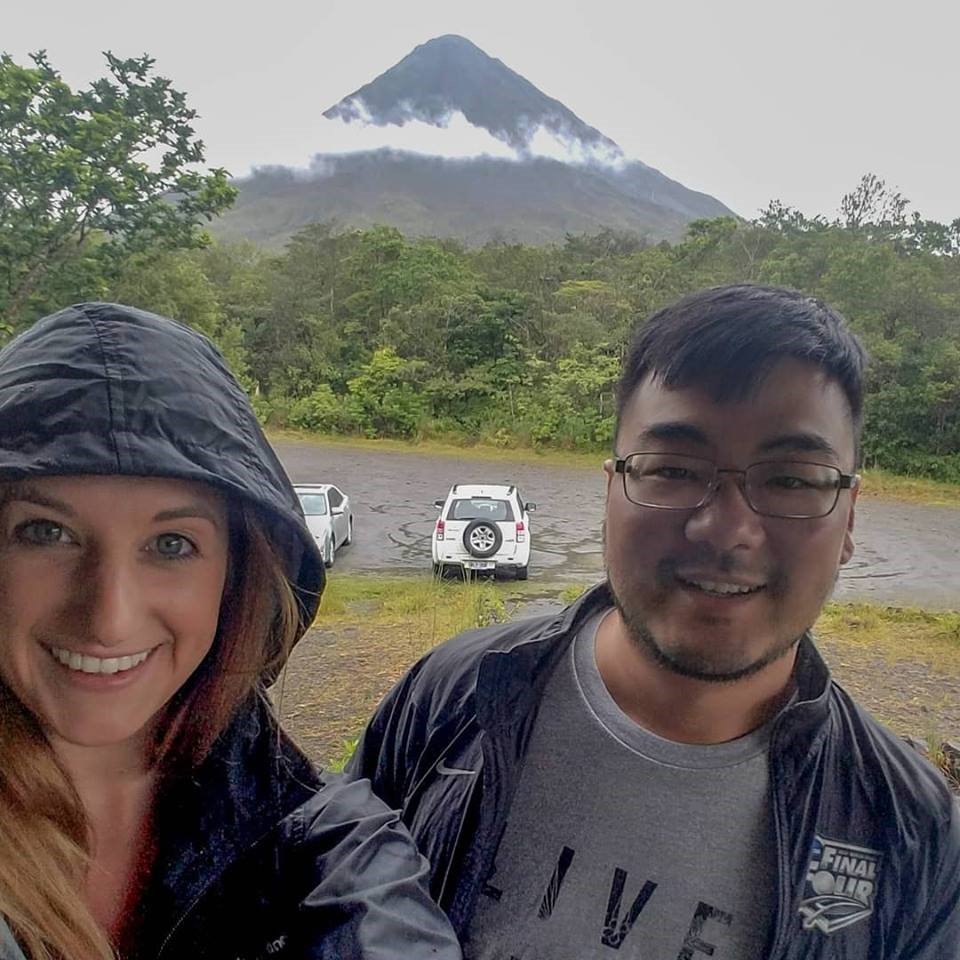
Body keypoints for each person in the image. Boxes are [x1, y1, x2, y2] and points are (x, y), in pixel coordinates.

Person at [348, 284, 960, 959]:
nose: (727, 529)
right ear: (610, 492)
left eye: (791, 480)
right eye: (671, 469)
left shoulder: (915, 837)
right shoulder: (453, 695)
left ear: (849, 517)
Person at [0, 303, 462, 960]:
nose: (109, 616)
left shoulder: (322, 842)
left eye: (171, 544)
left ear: (236, 578)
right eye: (48, 532)